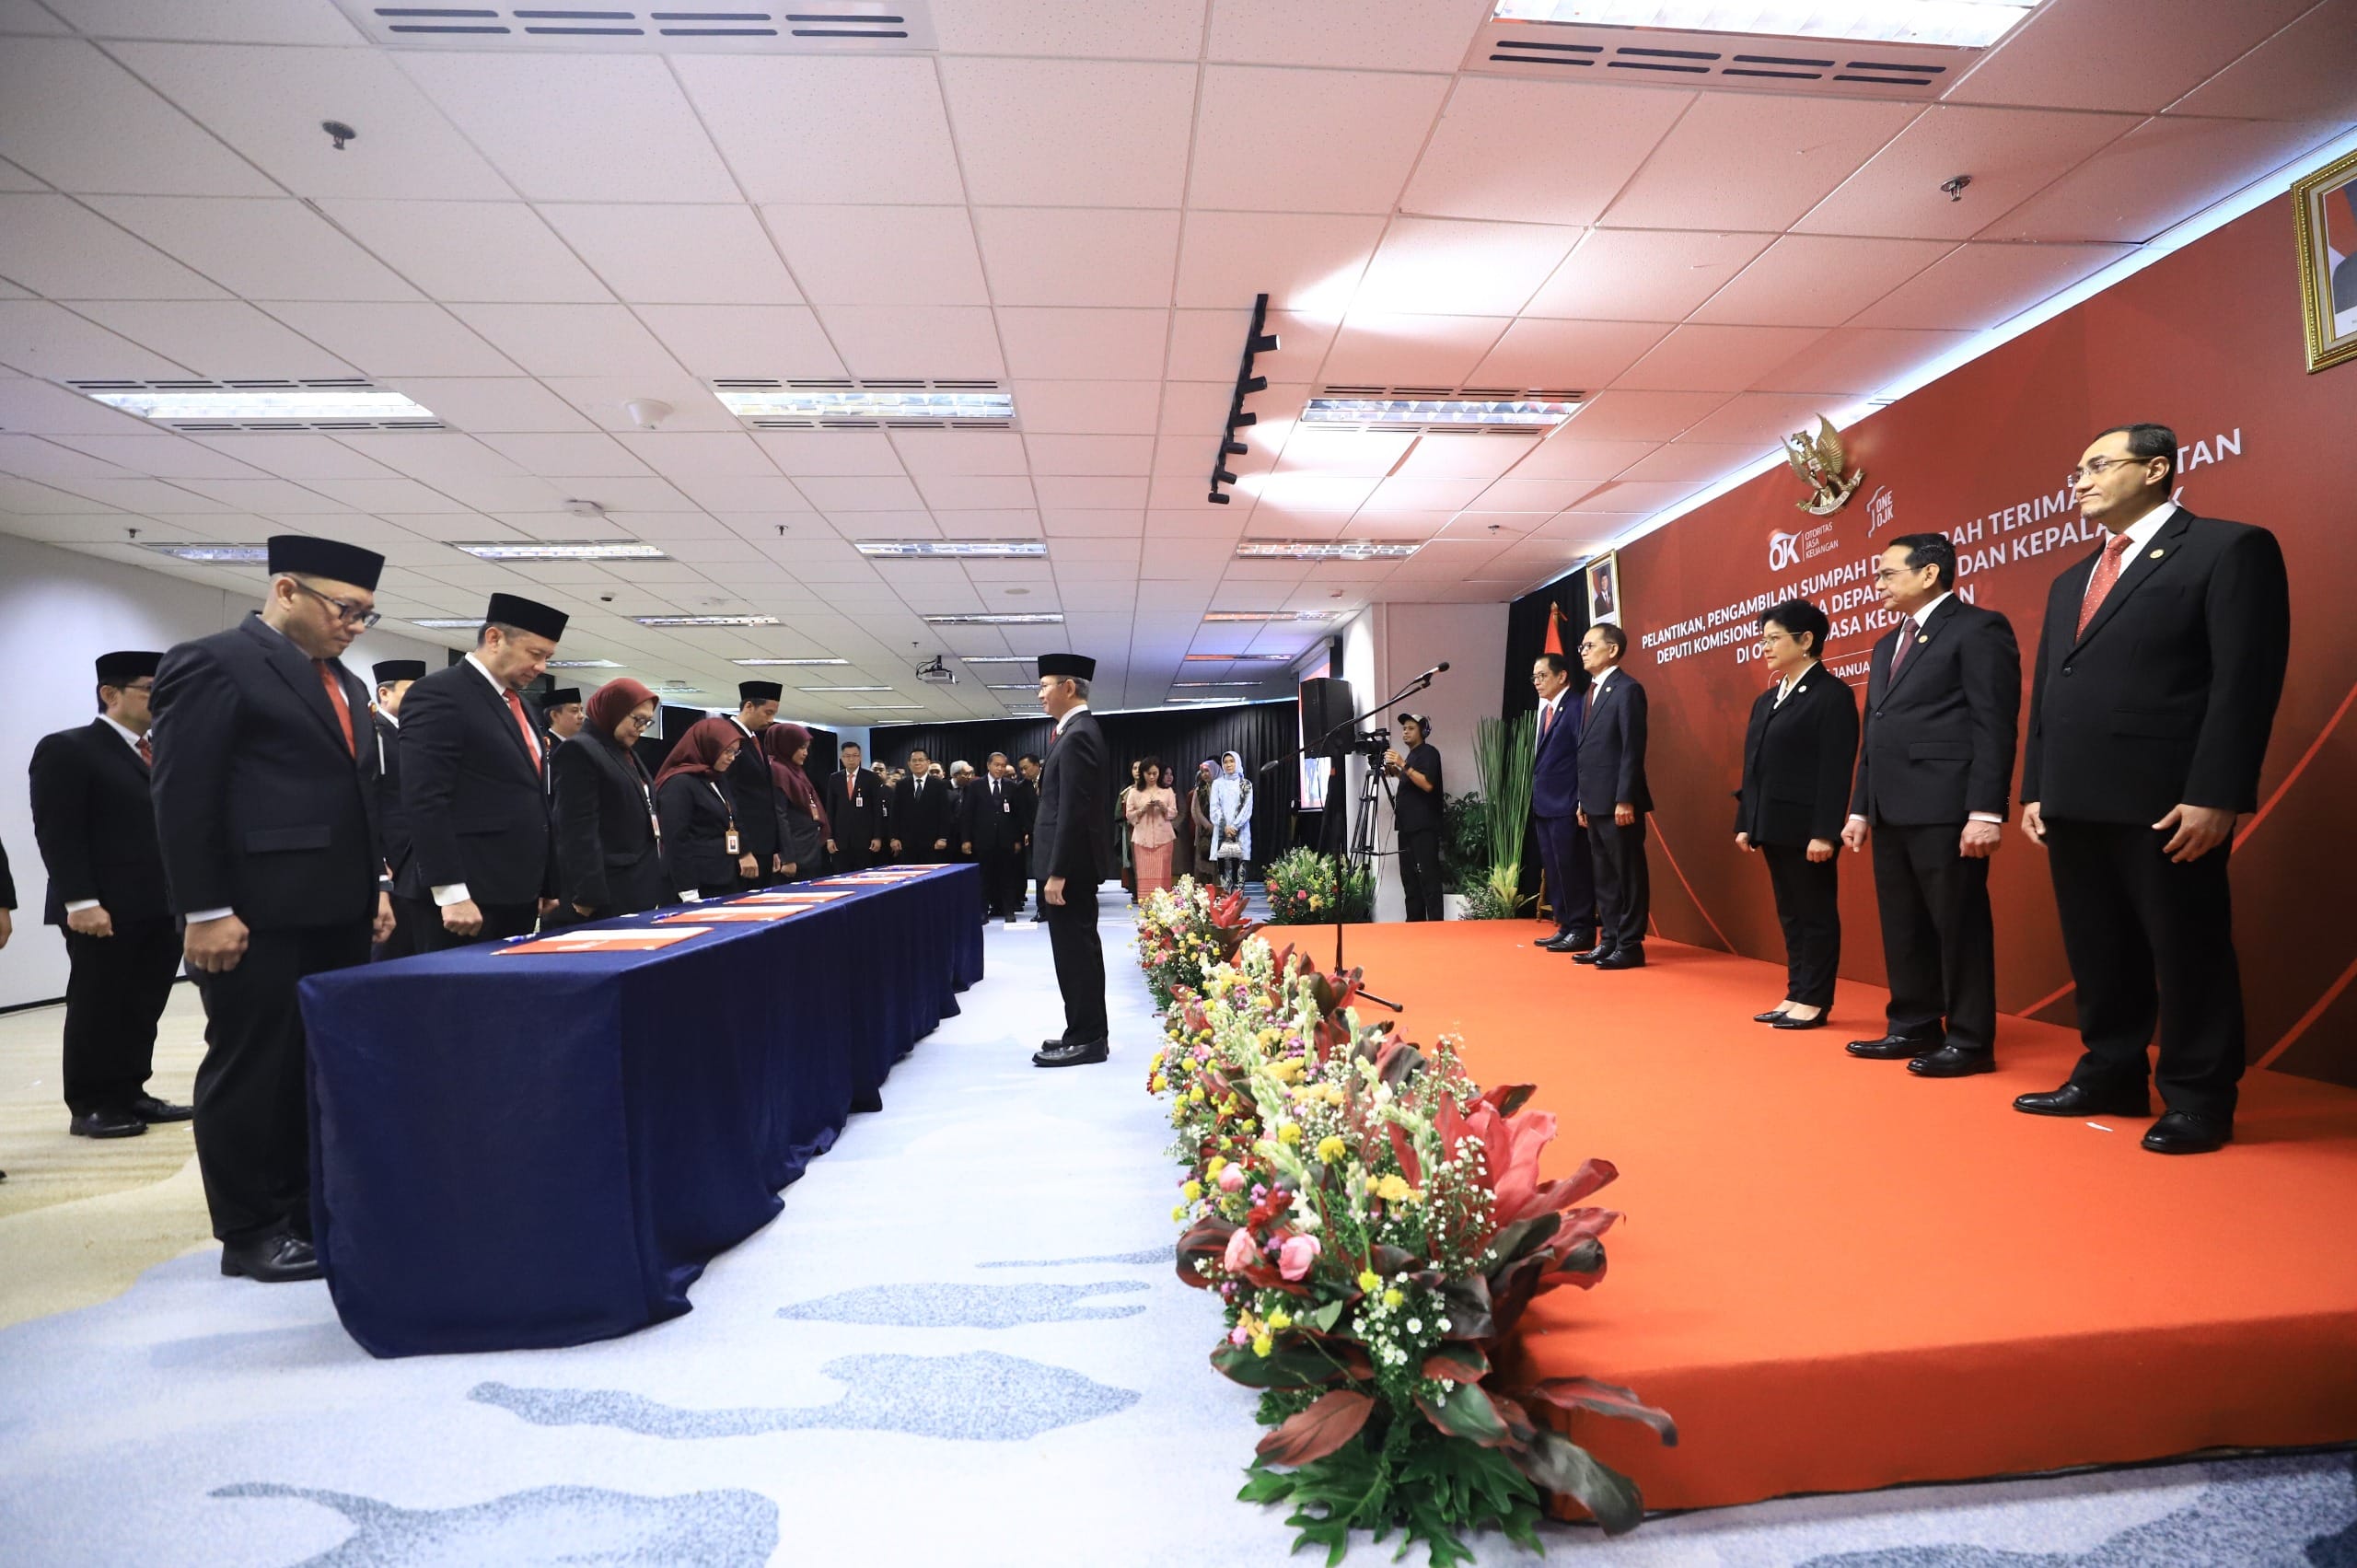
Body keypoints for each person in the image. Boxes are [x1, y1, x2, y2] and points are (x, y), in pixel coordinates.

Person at [2014, 424, 2291, 1156]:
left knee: (2187, 948)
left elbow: (2244, 681)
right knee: (2099, 948)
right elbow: (2051, 689)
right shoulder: (2071, 579)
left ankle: (2199, 1097)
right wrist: (2035, 785)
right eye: (2077, 469)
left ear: (2156, 468)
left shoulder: (2228, 548)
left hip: (2169, 798)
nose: (2080, 480)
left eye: (2097, 464)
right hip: (2072, 798)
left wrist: (2218, 791)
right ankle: (2111, 1071)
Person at [149, 534, 395, 1283]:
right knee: (254, 1068)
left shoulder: (344, 681)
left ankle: (301, 1210)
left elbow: (358, 794)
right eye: (344, 608)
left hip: (337, 910)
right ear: (286, 590)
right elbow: (183, 795)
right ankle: (250, 1230)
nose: (355, 625)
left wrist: (376, 887)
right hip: (255, 912)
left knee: (312, 1068)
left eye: (366, 613)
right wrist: (204, 908)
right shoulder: (215, 662)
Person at [1840, 533, 2021, 1078]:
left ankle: (1969, 1040)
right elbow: (1875, 731)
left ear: (1929, 574)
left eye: (1887, 573)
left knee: (1959, 925)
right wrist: (1859, 808)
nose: (1877, 584)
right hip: (1889, 807)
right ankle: (1913, 1024)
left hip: (1947, 806)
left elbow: (1994, 723)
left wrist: (1986, 811)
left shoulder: (1978, 628)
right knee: (1903, 925)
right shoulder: (1885, 644)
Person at [29, 650, 191, 1139]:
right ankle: (91, 1103)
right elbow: (58, 833)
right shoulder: (69, 749)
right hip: (103, 907)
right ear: (110, 693)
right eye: (152, 690)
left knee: (143, 1004)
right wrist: (80, 901)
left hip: (161, 904)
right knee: (98, 1004)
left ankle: (130, 1091)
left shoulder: (165, 751)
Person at [397, 593, 568, 949]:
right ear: (494, 638)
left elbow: (533, 797)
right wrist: (451, 892)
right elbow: (425, 797)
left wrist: (547, 883)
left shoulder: (520, 705)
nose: (541, 667)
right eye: (535, 654)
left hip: (516, 891)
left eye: (547, 658)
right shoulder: (440, 693)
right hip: (464, 898)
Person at [1735, 601, 1859, 1030]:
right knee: (1790, 913)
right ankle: (1795, 991)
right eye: (1763, 639)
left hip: (1808, 829)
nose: (1765, 647)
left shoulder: (1832, 695)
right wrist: (1746, 821)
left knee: (1815, 913)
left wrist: (1825, 832)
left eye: (1774, 639)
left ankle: (1815, 1000)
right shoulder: (1767, 699)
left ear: (1806, 640)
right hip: (1771, 824)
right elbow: (1754, 765)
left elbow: (1835, 770)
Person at [1031, 655, 1117, 1067]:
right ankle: (1082, 1031)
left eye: (1045, 685)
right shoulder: (1074, 731)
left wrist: (1058, 871)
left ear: (1068, 687)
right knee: (1074, 953)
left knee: (1076, 954)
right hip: (1072, 866)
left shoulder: (1079, 734)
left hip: (1071, 869)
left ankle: (1087, 1038)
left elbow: (1074, 811)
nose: (1040, 694)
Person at [551, 678, 669, 921]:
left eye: (647, 722)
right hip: (603, 892)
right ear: (613, 711)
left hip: (636, 884)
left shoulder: (624, 751)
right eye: (638, 719)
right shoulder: (581, 750)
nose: (642, 728)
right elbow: (576, 828)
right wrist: (588, 894)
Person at [1574, 624, 1652, 969]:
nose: (1583, 651)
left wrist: (1625, 798)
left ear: (1613, 650)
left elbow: (1632, 749)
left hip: (1619, 802)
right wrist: (1582, 800)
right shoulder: (1590, 693)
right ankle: (1608, 939)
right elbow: (1587, 752)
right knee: (1604, 876)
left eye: (1589, 645)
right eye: (1582, 646)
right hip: (1594, 801)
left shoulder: (1627, 689)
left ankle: (1630, 944)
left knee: (1628, 874)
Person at [1529, 655, 1597, 955]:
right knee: (1555, 869)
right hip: (1545, 803)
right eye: (1534, 677)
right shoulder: (1547, 710)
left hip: (1567, 802)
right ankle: (1566, 925)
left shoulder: (1576, 707)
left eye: (1542, 676)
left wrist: (1582, 798)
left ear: (1562, 676)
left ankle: (1582, 929)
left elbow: (1584, 757)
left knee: (1573, 868)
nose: (1537, 682)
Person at [655, 716, 760, 900]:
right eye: (727, 751)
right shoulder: (679, 783)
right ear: (708, 746)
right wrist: (688, 890)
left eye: (735, 752)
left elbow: (732, 817)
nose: (731, 758)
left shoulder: (716, 778)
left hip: (724, 875)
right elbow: (676, 839)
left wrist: (744, 851)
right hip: (695, 884)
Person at [367, 659, 425, 959]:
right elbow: (372, 799)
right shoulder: (373, 733)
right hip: (393, 855)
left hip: (417, 855)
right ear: (384, 693)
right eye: (411, 692)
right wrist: (379, 859)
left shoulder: (416, 735)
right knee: (390, 945)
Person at [720, 681, 787, 887]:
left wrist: (775, 847)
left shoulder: (754, 740)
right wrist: (743, 850)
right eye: (768, 713)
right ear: (749, 706)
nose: (771, 720)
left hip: (764, 845)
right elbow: (729, 798)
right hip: (747, 847)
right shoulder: (729, 739)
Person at [1386, 714, 1446, 922]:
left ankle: (1436, 924)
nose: (1405, 732)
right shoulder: (1411, 757)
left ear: (1423, 731)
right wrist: (1394, 770)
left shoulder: (1429, 753)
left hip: (1423, 826)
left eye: (1411, 728)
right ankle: (1414, 923)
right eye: (1404, 728)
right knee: (1409, 879)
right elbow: (1410, 779)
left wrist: (1403, 765)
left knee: (1429, 877)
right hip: (1406, 827)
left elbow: (1427, 784)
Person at [960, 752, 1027, 921]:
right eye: (997, 765)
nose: (1000, 768)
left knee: (1007, 877)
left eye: (1003, 765)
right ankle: (982, 911)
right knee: (983, 878)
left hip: (1006, 840)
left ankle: (1008, 911)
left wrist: (1017, 839)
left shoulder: (1012, 786)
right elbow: (967, 814)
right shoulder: (975, 786)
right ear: (988, 765)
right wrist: (966, 839)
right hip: (982, 840)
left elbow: (1017, 816)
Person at [760, 722, 829, 882]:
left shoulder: (795, 770)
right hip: (794, 857)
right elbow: (780, 816)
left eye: (807, 748)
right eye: (801, 748)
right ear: (786, 746)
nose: (805, 753)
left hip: (808, 850)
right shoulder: (778, 771)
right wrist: (787, 858)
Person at [821, 741, 881, 871]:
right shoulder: (834, 778)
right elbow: (830, 810)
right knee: (842, 875)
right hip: (840, 841)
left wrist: (877, 836)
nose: (851, 759)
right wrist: (830, 838)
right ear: (842, 758)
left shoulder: (871, 778)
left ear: (860, 757)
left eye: (855, 755)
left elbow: (877, 809)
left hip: (865, 840)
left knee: (864, 875)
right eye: (847, 756)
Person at [1127, 757, 1178, 902]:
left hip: (1164, 839)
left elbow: (1174, 812)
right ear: (1142, 773)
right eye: (1148, 773)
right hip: (1142, 839)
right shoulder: (1134, 792)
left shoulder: (1167, 791)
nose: (1152, 777)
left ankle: (1163, 905)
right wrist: (1142, 809)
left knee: (1163, 873)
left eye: (1155, 773)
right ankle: (1146, 904)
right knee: (1144, 873)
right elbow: (1129, 815)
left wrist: (1164, 808)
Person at [893, 747, 955, 864]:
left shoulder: (939, 785)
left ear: (928, 763)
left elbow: (945, 814)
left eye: (921, 760)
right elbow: (895, 813)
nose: (917, 763)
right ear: (909, 764)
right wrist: (894, 838)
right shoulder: (901, 785)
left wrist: (942, 837)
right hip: (907, 843)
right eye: (914, 760)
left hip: (932, 842)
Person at [1209, 751, 1253, 891]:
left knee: (1239, 867)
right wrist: (1225, 826)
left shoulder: (1246, 784)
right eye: (1225, 762)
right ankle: (1227, 898)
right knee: (1224, 867)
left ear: (1237, 763)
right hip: (1223, 832)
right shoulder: (1217, 784)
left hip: (1240, 831)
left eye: (1231, 761)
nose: (1228, 765)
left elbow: (1247, 808)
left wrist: (1234, 826)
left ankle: (1238, 898)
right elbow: (1214, 807)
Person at [1190, 759, 1220, 884]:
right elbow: (1195, 809)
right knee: (1203, 864)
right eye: (1202, 772)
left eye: (1207, 771)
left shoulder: (1224, 787)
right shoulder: (1200, 789)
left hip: (1222, 829)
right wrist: (1207, 825)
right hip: (1204, 830)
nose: (1205, 774)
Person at [1117, 758, 1144, 900]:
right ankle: (1135, 890)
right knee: (1132, 859)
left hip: (1147, 827)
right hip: (1130, 828)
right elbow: (1119, 813)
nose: (1137, 771)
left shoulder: (1151, 789)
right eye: (1134, 768)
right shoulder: (1127, 790)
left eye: (1140, 768)